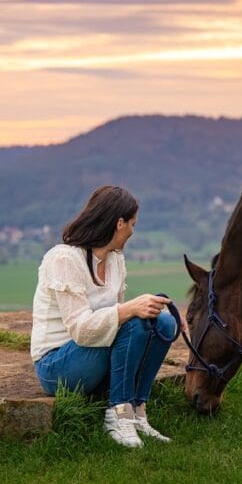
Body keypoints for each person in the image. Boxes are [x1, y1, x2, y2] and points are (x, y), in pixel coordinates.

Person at [30, 185, 179, 448]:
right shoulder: (64, 259)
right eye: (132, 224)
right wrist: (130, 309)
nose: (133, 232)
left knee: (163, 322)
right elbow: (82, 330)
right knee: (133, 320)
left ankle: (136, 412)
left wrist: (146, 311)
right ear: (119, 223)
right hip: (58, 366)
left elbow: (121, 326)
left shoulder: (115, 261)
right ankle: (118, 414)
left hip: (93, 356)